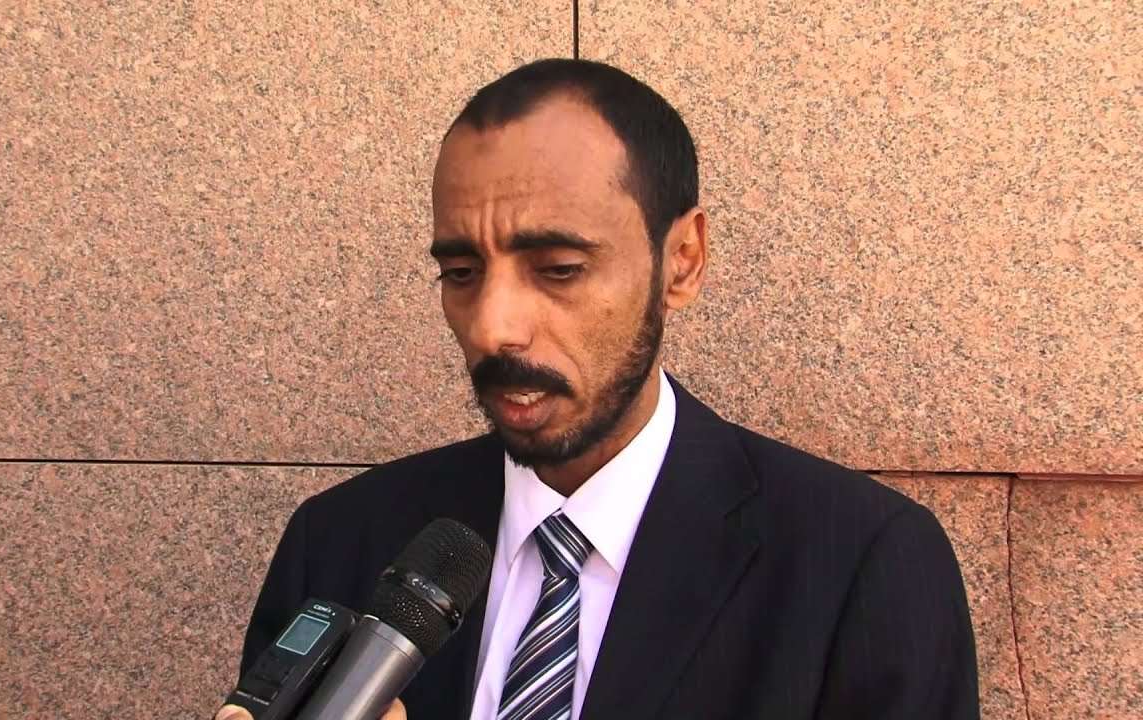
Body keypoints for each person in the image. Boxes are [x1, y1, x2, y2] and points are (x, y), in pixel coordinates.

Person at [219, 58, 980, 720]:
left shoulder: (860, 565)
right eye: (460, 272)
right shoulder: (340, 542)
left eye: (558, 269)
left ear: (682, 261)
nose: (493, 327)